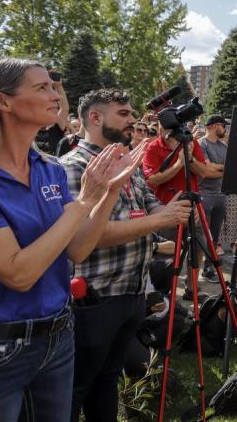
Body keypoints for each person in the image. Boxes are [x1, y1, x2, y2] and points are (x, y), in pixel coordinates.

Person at [0, 58, 139, 421]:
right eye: (42, 87)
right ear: (3, 101)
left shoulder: (48, 168)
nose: (55, 95)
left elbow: (76, 248)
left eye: (53, 86)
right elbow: (18, 273)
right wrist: (87, 199)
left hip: (56, 339)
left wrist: (109, 192)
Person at [60, 89, 191, 422]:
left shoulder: (128, 163)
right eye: (123, 113)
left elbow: (150, 205)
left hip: (132, 295)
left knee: (107, 381)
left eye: (132, 113)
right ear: (94, 117)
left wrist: (171, 211)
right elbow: (87, 237)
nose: (133, 120)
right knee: (76, 387)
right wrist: (157, 220)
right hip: (93, 299)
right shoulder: (72, 167)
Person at [198, 115, 229, 277]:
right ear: (214, 126)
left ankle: (209, 265)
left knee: (215, 234)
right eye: (223, 125)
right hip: (204, 194)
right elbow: (207, 169)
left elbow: (229, 168)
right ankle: (199, 264)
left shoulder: (223, 147)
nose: (225, 129)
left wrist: (218, 168)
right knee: (202, 234)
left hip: (220, 195)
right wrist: (223, 168)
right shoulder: (201, 143)